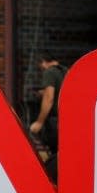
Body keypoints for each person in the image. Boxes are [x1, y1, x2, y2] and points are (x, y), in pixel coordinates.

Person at [29, 52, 67, 181]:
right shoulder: (65, 71)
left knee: (53, 156)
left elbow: (49, 97)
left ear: (43, 62)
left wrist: (39, 122)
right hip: (66, 120)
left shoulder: (49, 72)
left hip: (54, 121)